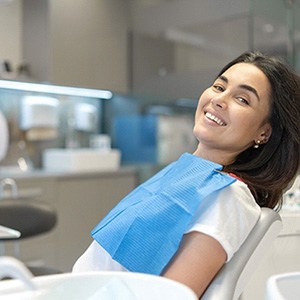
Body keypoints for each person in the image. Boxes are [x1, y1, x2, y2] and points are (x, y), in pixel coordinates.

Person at [73, 51, 300, 298]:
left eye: (243, 99)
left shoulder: (229, 196)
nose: (220, 100)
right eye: (218, 86)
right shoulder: (186, 172)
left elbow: (172, 295)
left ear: (264, 133)